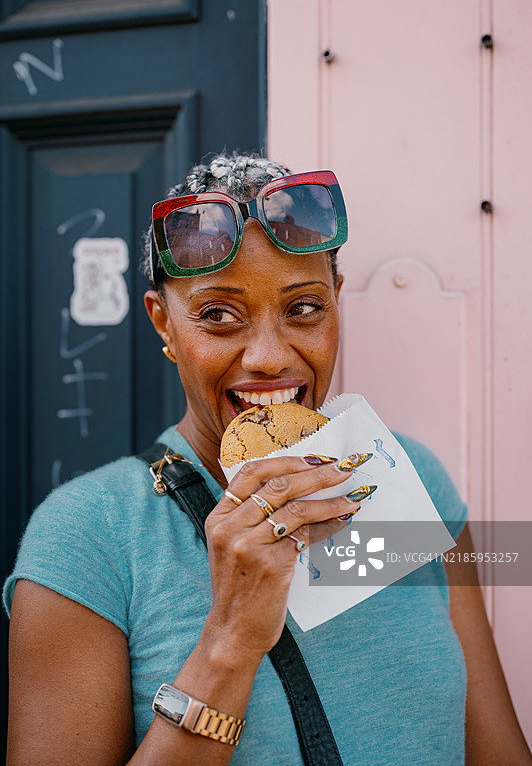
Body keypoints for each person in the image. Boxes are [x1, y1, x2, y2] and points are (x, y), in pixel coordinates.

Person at [3, 154, 531, 766]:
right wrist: (231, 639)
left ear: (336, 302)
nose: (269, 357)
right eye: (218, 315)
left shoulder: (410, 482)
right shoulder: (88, 537)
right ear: (163, 325)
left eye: (303, 307)